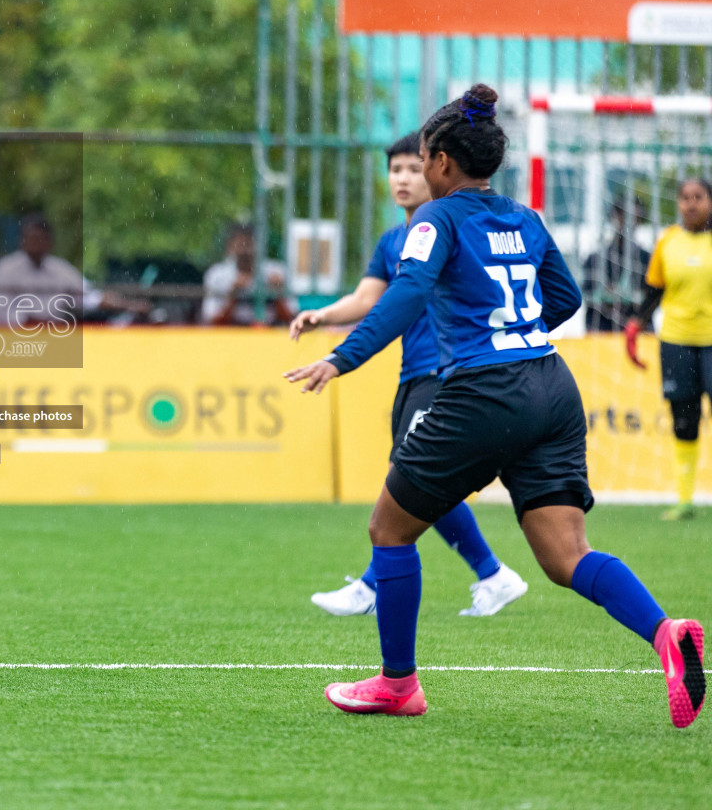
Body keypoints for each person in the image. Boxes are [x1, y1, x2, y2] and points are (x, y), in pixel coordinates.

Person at [284, 84, 704, 728]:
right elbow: (563, 298)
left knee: (389, 531)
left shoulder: (437, 219)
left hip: (485, 391)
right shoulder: (526, 218)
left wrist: (341, 357)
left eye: (423, 158)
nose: (419, 169)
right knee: (567, 556)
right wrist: (511, 324)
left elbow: (405, 294)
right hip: (551, 385)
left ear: (444, 162)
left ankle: (399, 684)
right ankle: (664, 633)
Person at [292, 132, 527, 618]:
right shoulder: (393, 241)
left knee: (413, 478)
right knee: (420, 482)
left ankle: (375, 586)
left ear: (437, 168)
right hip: (413, 376)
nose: (402, 178)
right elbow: (366, 298)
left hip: (447, 374)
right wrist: (324, 314)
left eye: (411, 168)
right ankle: (492, 574)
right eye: (394, 170)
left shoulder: (448, 230)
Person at [625, 177, 712, 522]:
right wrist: (635, 326)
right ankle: (685, 499)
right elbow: (653, 291)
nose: (691, 204)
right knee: (683, 418)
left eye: (699, 197)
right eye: (685, 198)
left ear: (709, 201)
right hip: (676, 340)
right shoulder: (668, 242)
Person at [0, 214, 148, 327]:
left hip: (55, 336)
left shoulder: (60, 269)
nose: (35, 243)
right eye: (31, 238)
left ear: (49, 242)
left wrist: (128, 305)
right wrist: (27, 321)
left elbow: (88, 297)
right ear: (21, 240)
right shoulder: (5, 269)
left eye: (39, 238)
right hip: (12, 337)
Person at [202, 223, 296, 326]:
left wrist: (277, 294)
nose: (245, 251)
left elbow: (292, 320)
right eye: (240, 244)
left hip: (269, 332)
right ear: (230, 246)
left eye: (249, 244)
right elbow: (212, 322)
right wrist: (233, 296)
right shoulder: (217, 275)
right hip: (232, 334)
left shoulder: (277, 272)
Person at [582, 198, 651, 333]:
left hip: (637, 329)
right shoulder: (595, 258)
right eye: (623, 216)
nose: (628, 223)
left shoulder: (647, 259)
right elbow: (587, 296)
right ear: (614, 217)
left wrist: (620, 296)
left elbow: (652, 297)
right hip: (602, 328)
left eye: (635, 219)